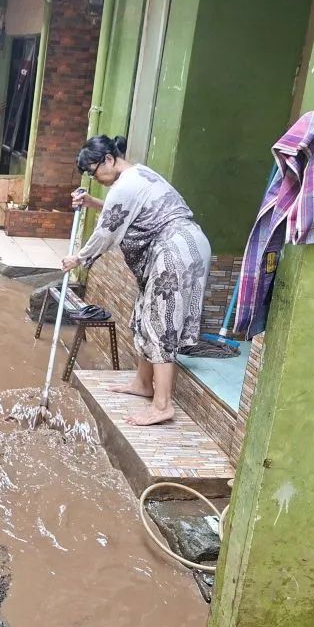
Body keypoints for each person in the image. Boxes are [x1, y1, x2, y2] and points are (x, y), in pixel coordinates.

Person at [61, 135, 211, 426]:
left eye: (94, 172)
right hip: (180, 247)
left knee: (162, 322)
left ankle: (163, 405)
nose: (95, 178)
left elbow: (107, 232)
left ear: (108, 159)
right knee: (145, 312)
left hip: (175, 250)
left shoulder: (126, 183)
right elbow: (128, 213)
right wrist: (93, 202)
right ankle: (143, 383)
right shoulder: (138, 174)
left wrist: (79, 258)